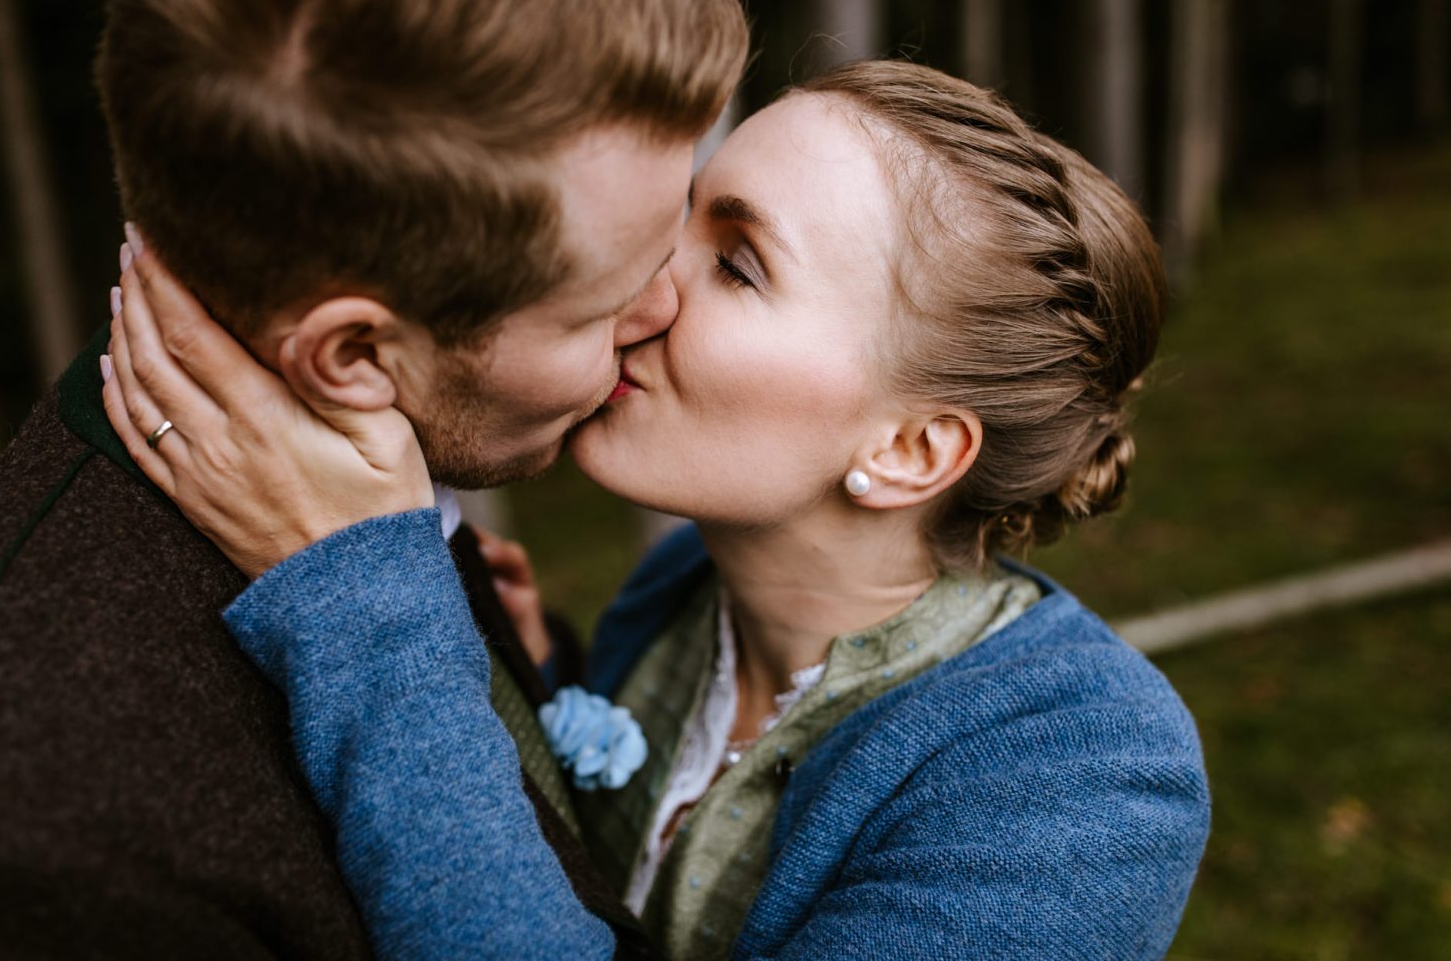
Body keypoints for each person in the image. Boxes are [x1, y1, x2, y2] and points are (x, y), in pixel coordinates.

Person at [102, 60, 1211, 960]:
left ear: (911, 448)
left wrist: (367, 609)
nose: (637, 284)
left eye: (736, 264)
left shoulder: (1086, 778)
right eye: (680, 213)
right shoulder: (686, 591)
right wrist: (538, 684)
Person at [0, 0, 746, 955]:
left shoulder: (375, 473)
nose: (665, 306)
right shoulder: (33, 848)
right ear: (354, 353)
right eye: (604, 302)